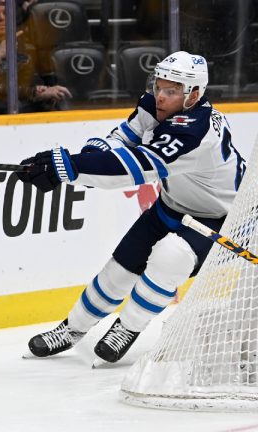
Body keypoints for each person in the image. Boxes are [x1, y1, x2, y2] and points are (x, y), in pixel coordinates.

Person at [16, 51, 247, 365]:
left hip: (220, 219)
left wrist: (69, 166)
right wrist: (89, 157)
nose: (160, 96)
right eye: (158, 86)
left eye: (171, 91)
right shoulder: (158, 105)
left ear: (193, 95)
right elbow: (125, 138)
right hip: (171, 206)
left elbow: (136, 167)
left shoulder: (195, 132)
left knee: (170, 258)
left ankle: (128, 327)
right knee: (120, 268)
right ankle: (72, 329)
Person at [0, 0, 70, 115]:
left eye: (6, 13)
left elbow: (35, 76)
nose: (2, 18)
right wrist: (33, 92)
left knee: (58, 98)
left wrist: (45, 88)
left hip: (25, 101)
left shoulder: (24, 41)